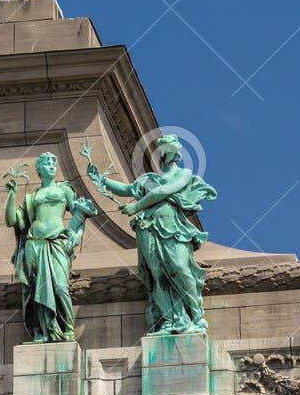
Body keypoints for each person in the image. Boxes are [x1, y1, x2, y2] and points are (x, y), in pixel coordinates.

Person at [87, 135, 216, 334]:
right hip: (147, 225)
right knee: (157, 274)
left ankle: (195, 316)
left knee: (180, 267)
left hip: (172, 225)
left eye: (169, 149)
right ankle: (169, 319)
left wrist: (136, 206)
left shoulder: (184, 174)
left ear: (176, 153)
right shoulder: (148, 179)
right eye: (163, 149)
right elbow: (127, 189)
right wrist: (101, 179)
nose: (165, 153)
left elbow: (164, 191)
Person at [4, 153, 96, 343]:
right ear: (39, 170)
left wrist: (76, 236)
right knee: (37, 286)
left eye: (54, 162)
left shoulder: (65, 189)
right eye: (47, 163)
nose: (52, 165)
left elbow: (80, 213)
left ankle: (67, 329)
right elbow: (11, 220)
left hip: (57, 241)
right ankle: (43, 330)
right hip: (34, 242)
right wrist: (12, 194)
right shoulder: (32, 197)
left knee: (61, 286)